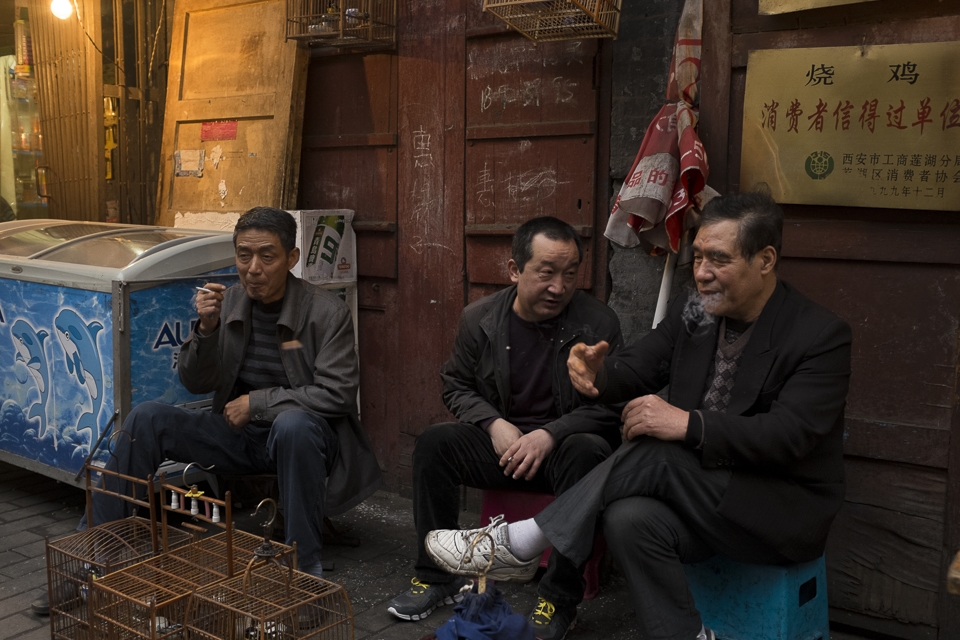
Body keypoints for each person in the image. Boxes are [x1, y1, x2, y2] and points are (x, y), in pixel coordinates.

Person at [424, 192, 852, 640]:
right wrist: (597, 374)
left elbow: (789, 435)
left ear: (765, 260)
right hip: (700, 502)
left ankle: (522, 541)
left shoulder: (819, 335)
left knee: (658, 449)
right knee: (628, 518)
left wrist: (687, 424)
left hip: (774, 511)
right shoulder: (698, 310)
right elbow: (642, 364)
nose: (702, 273)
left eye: (719, 260)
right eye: (698, 257)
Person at [33, 206, 381, 615]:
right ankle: (89, 562)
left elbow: (338, 393)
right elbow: (196, 382)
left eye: (267, 256)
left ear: (291, 258)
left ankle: (303, 575)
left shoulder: (325, 312)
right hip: (238, 433)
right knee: (147, 418)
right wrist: (207, 330)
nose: (253, 268)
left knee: (292, 426)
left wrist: (257, 403)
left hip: (304, 439)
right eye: (243, 255)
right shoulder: (230, 301)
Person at [387, 216, 623, 640]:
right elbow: (455, 384)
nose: (559, 287)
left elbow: (613, 404)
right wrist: (493, 423)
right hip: (504, 448)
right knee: (435, 444)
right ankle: (437, 576)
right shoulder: (480, 319)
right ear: (515, 270)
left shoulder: (597, 324)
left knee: (589, 450)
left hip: (562, 453)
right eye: (546, 273)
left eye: (570, 274)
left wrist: (550, 434)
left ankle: (559, 600)